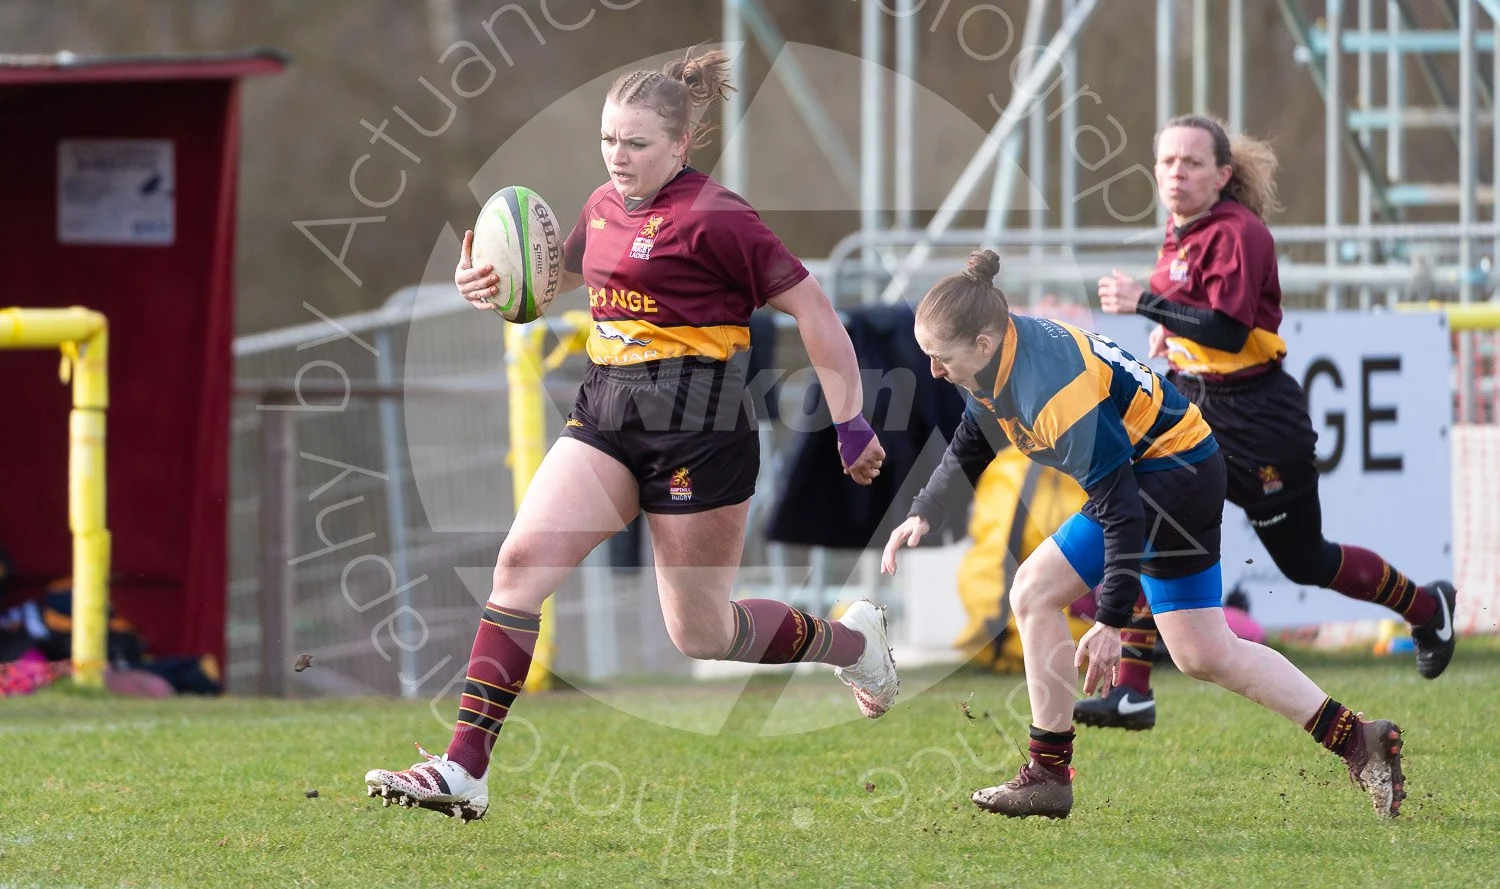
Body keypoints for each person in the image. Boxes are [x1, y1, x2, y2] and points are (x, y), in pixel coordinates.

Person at [364, 49, 897, 821]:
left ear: (680, 146)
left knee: (703, 633)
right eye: (610, 139)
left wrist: (850, 423)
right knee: (518, 566)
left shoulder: (720, 219)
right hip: (607, 417)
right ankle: (463, 770)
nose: (619, 156)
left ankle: (854, 646)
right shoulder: (605, 207)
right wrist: (485, 279)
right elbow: (553, 281)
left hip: (699, 437)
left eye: (637, 143)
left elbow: (816, 313)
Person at [882, 249, 1406, 820]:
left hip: (1169, 478)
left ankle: (1049, 773)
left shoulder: (1052, 390)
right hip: (1175, 468)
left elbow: (1122, 509)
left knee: (1034, 590)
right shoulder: (998, 351)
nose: (934, 370)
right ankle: (1359, 739)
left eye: (940, 357)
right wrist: (925, 510)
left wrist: (1109, 621)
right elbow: (974, 431)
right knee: (1204, 652)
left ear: (982, 344)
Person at [1085, 113, 1457, 730]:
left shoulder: (1241, 233)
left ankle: (1426, 607)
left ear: (1222, 174)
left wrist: (1145, 304)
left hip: (1256, 419)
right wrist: (1170, 336)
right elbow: (1199, 317)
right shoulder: (1180, 230)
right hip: (1194, 403)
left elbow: (1231, 329)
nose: (1177, 172)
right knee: (1150, 508)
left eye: (1193, 162)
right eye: (1168, 161)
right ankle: (1133, 688)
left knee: (1305, 559)